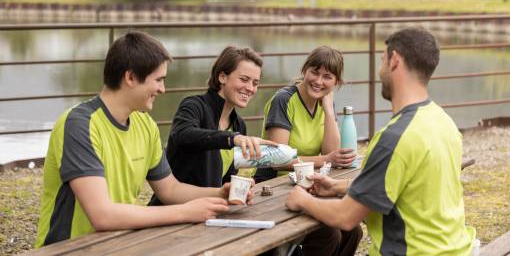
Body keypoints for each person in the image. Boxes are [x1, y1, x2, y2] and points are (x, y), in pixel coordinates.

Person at [35, 32, 241, 248]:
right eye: (159, 80)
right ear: (131, 77)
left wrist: (220, 194)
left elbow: (170, 190)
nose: (163, 89)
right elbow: (102, 215)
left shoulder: (146, 126)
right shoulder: (79, 124)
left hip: (120, 245)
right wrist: (184, 212)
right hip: (70, 249)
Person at [286, 28, 476, 255]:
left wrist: (302, 199)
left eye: (382, 60)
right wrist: (337, 186)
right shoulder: (442, 121)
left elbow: (345, 217)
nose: (380, 69)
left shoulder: (394, 138)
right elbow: (405, 186)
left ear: (394, 60)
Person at [255, 45, 362, 256]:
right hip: (272, 188)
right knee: (330, 234)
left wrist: (329, 111)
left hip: (307, 186)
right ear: (305, 70)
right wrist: (325, 159)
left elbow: (332, 154)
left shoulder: (324, 103)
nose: (318, 81)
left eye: (327, 77)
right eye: (314, 72)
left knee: (353, 231)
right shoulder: (284, 100)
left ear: (336, 82)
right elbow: (276, 160)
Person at [150, 46, 276, 206]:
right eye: (244, 79)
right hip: (173, 209)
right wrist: (232, 139)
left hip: (210, 211)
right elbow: (183, 134)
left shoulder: (239, 125)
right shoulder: (194, 105)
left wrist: (236, 191)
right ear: (222, 77)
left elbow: (225, 183)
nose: (250, 88)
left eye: (255, 83)